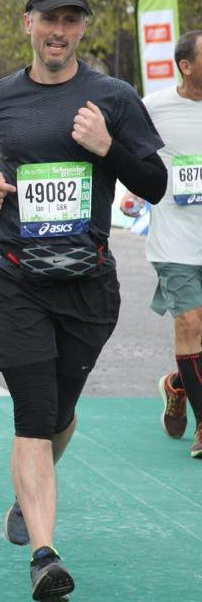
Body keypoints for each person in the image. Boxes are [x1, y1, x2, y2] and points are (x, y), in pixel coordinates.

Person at [0, 0, 167, 602]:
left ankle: (29, 495)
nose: (58, 31)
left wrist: (109, 148)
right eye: (48, 19)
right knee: (33, 412)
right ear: (28, 24)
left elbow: (154, 183)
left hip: (88, 285)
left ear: (83, 29)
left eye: (70, 21)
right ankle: (44, 555)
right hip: (15, 278)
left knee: (59, 415)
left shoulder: (114, 98)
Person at [130, 30, 202, 457]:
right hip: (175, 241)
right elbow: (126, 151)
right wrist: (132, 184)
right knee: (191, 325)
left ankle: (177, 384)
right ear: (186, 66)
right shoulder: (153, 108)